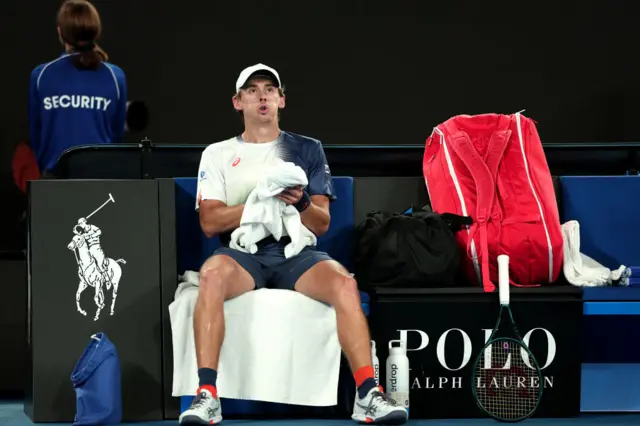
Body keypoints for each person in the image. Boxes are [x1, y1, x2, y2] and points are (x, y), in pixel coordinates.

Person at [179, 64, 408, 425]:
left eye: (270, 89)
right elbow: (209, 222)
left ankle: (367, 394)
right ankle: (207, 395)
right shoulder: (218, 153)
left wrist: (299, 202)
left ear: (282, 99)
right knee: (210, 276)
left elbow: (321, 222)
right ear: (238, 102)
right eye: (252, 90)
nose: (262, 96)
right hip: (243, 255)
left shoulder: (307, 148)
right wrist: (260, 200)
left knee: (345, 283)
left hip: (296, 254)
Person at [28, 0, 127, 176]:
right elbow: (117, 136)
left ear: (60, 32)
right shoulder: (116, 77)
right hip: (99, 180)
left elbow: (36, 136)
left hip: (60, 179)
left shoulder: (41, 75)